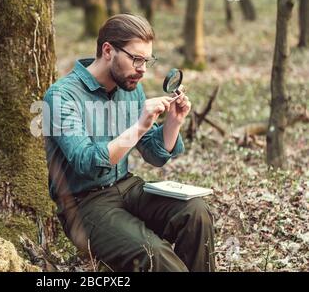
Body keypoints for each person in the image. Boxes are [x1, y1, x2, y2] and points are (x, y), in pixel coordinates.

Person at [43, 14, 215, 272]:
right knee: (154, 253)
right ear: (108, 50)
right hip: (83, 205)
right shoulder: (62, 96)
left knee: (196, 211)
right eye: (136, 59)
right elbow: (86, 162)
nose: (143, 69)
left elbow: (154, 155)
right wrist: (139, 127)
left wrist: (173, 122)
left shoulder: (130, 89)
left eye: (147, 61)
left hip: (127, 185)